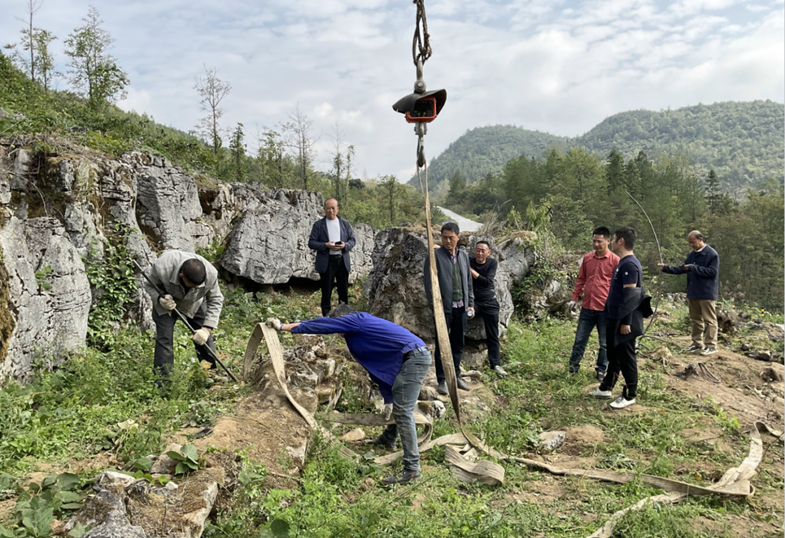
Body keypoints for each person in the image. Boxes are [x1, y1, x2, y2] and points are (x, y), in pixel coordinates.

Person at [267, 305, 432, 486]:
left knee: (403, 411)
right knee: (399, 406)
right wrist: (388, 399)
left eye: (339, 327)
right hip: (409, 358)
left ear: (343, 318)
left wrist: (285, 327)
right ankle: (388, 439)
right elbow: (379, 369)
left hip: (414, 358)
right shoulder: (359, 335)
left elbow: (324, 325)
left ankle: (412, 470)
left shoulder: (358, 319)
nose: (339, 334)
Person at [591, 227, 651, 410]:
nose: (613, 241)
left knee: (626, 357)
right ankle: (606, 387)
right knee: (614, 354)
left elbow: (631, 296)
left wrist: (625, 322)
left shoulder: (630, 265)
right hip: (613, 316)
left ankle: (630, 394)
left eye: (615, 238)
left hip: (624, 320)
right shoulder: (623, 262)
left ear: (621, 241)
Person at [142, 250, 224, 381]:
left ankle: (211, 373)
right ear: (181, 276)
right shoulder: (162, 266)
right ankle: (164, 381)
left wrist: (206, 329)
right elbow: (148, 284)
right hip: (166, 302)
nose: (195, 287)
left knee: (203, 337)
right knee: (165, 340)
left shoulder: (211, 274)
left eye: (198, 286)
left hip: (194, 302)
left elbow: (216, 300)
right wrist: (159, 299)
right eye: (192, 285)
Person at [423, 222, 474, 395]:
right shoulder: (435, 256)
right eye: (444, 237)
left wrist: (470, 304)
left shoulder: (464, 256)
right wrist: (434, 306)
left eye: (451, 238)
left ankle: (456, 376)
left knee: (458, 343)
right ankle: (442, 379)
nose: (447, 241)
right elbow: (429, 284)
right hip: (443, 309)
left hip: (461, 307)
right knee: (442, 345)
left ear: (458, 238)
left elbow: (468, 282)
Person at [568, 227, 620, 382]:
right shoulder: (588, 258)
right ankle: (573, 368)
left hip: (605, 309)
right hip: (587, 307)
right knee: (579, 340)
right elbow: (581, 279)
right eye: (594, 241)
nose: (596, 244)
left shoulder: (615, 261)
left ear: (608, 241)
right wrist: (574, 298)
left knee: (604, 343)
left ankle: (601, 370)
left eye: (599, 241)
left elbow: (618, 286)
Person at [658, 231, 720, 356]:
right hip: (693, 292)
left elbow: (712, 272)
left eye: (693, 242)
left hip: (706, 293)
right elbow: (682, 268)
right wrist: (666, 268)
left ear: (700, 239)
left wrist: (693, 268)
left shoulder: (711, 254)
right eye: (690, 243)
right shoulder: (692, 255)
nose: (691, 245)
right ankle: (697, 343)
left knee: (709, 320)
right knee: (695, 319)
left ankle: (711, 345)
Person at [308, 198, 356, 316]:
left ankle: (344, 316)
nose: (331, 211)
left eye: (333, 208)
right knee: (326, 291)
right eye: (328, 208)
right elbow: (311, 243)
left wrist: (345, 246)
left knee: (343, 291)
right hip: (327, 262)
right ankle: (326, 318)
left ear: (337, 209)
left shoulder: (345, 223)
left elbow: (353, 240)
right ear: (324, 209)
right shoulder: (319, 225)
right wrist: (325, 245)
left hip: (342, 261)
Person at [469, 240, 507, 376]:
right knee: (461, 319)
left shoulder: (492, 263)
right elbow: (454, 254)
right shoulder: (469, 260)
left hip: (490, 301)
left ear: (488, 252)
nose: (480, 253)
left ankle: (495, 364)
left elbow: (486, 282)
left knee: (493, 333)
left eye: (483, 251)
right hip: (473, 302)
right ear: (474, 251)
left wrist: (471, 271)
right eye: (477, 250)